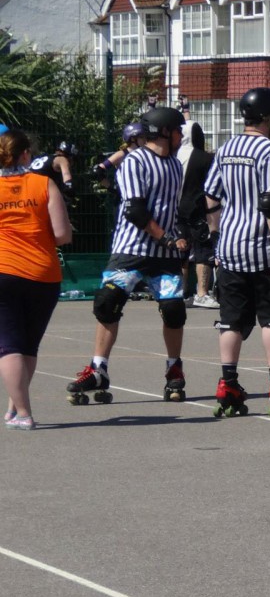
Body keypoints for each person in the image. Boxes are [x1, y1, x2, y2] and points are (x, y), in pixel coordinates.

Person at [66, 107, 190, 406]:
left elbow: (173, 208)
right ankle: (98, 369)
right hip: (130, 249)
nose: (181, 135)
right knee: (107, 302)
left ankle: (174, 368)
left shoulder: (175, 165)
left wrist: (182, 235)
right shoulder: (135, 161)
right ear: (164, 132)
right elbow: (135, 210)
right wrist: (166, 237)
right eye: (178, 130)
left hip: (165, 252)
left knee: (174, 309)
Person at [204, 88, 270, 417]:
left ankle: (228, 383)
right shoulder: (269, 151)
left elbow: (210, 196)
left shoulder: (226, 148)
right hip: (260, 245)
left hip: (229, 246)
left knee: (230, 319)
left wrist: (216, 235)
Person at [0, 128, 73, 429]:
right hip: (43, 273)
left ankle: (24, 413)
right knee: (28, 345)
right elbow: (62, 235)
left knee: (8, 345)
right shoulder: (44, 184)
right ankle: (14, 409)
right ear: (26, 155)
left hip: (4, 270)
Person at [178, 122, 217, 308]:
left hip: (176, 211)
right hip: (198, 210)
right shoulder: (205, 158)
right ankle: (201, 293)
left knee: (180, 252)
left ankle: (179, 293)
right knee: (203, 251)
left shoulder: (172, 155)